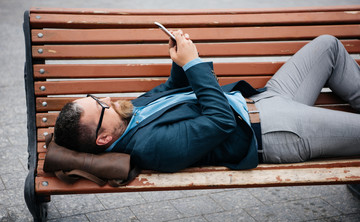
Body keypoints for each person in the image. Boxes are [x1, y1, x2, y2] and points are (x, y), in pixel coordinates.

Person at [54, 30, 360, 173]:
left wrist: (178, 60)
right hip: (272, 130)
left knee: (327, 47)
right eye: (100, 105)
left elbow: (173, 87)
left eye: (95, 96)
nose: (107, 98)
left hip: (265, 98)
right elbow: (220, 121)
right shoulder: (151, 148)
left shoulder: (129, 113)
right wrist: (194, 63)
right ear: (104, 138)